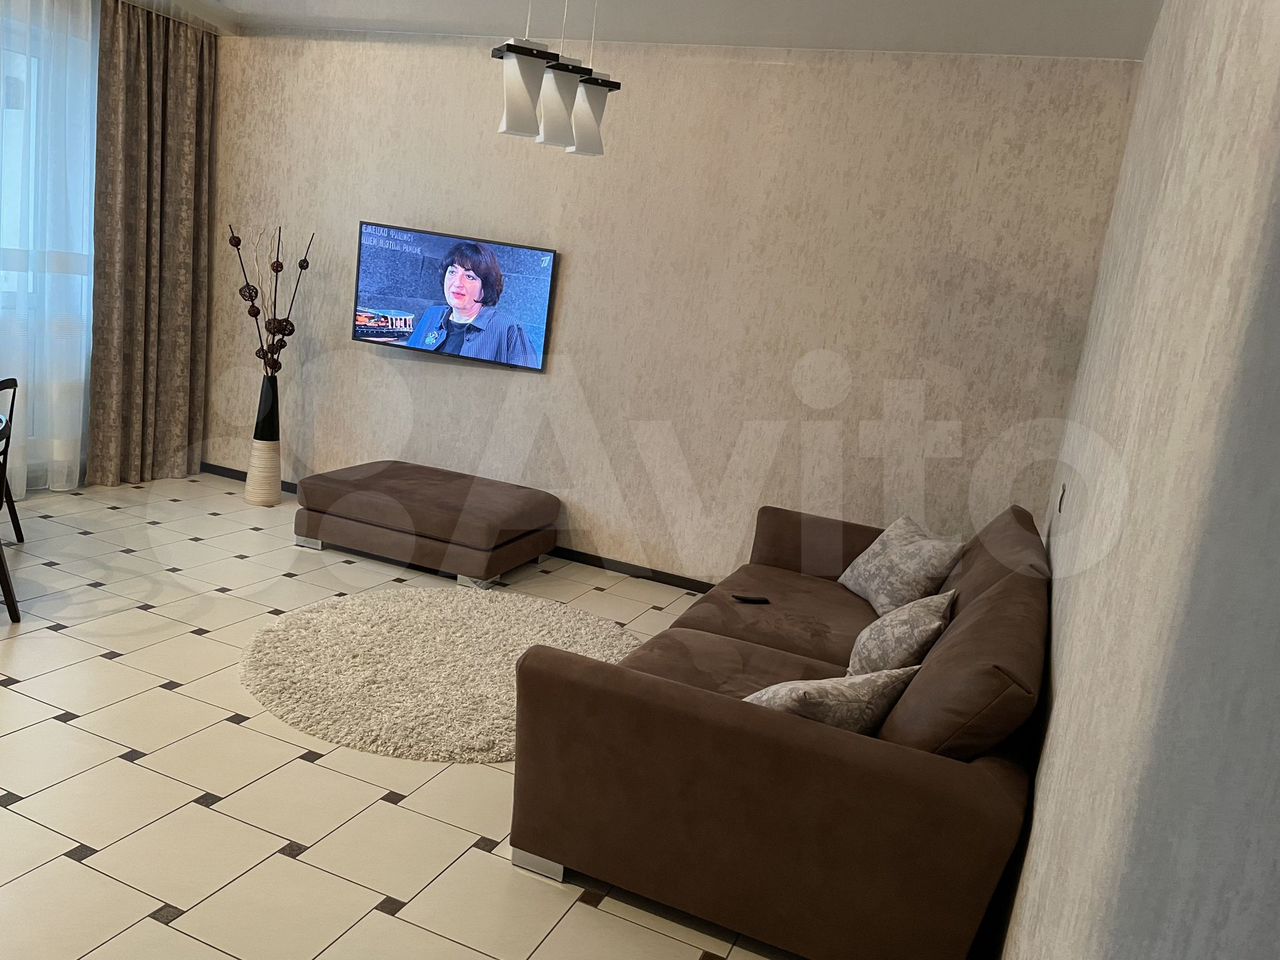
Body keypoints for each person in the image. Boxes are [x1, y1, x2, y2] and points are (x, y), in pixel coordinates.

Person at [403, 242, 537, 368]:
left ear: (485, 287)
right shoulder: (432, 314)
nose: (457, 283)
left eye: (469, 276)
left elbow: (527, 380)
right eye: (452, 272)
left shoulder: (508, 328)